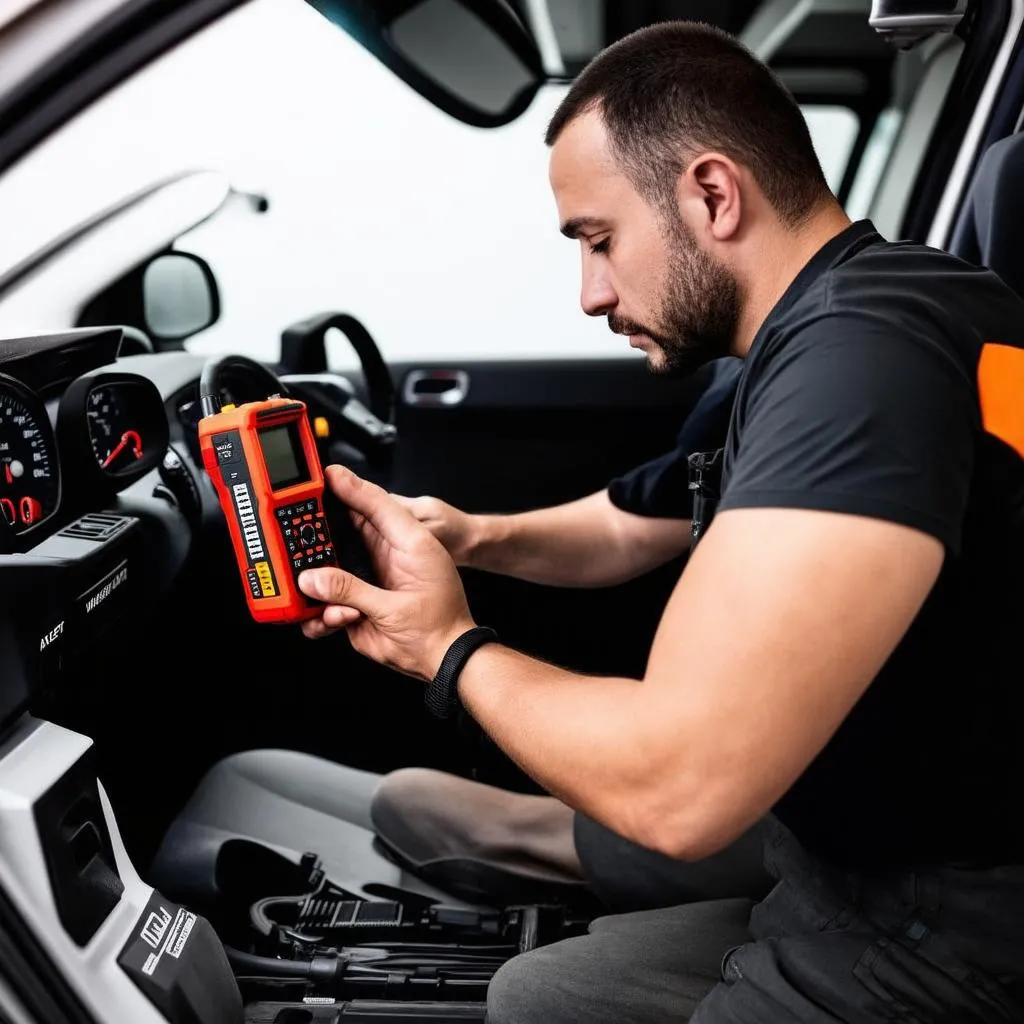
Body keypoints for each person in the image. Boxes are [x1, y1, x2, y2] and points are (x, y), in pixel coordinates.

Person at [297, 20, 1024, 1024]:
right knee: (538, 990)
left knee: (543, 1002)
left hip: (945, 927)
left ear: (713, 195)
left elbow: (681, 785)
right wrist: (471, 535)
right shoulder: (829, 325)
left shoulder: (862, 363)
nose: (591, 292)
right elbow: (637, 524)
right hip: (849, 846)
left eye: (599, 241)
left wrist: (449, 650)